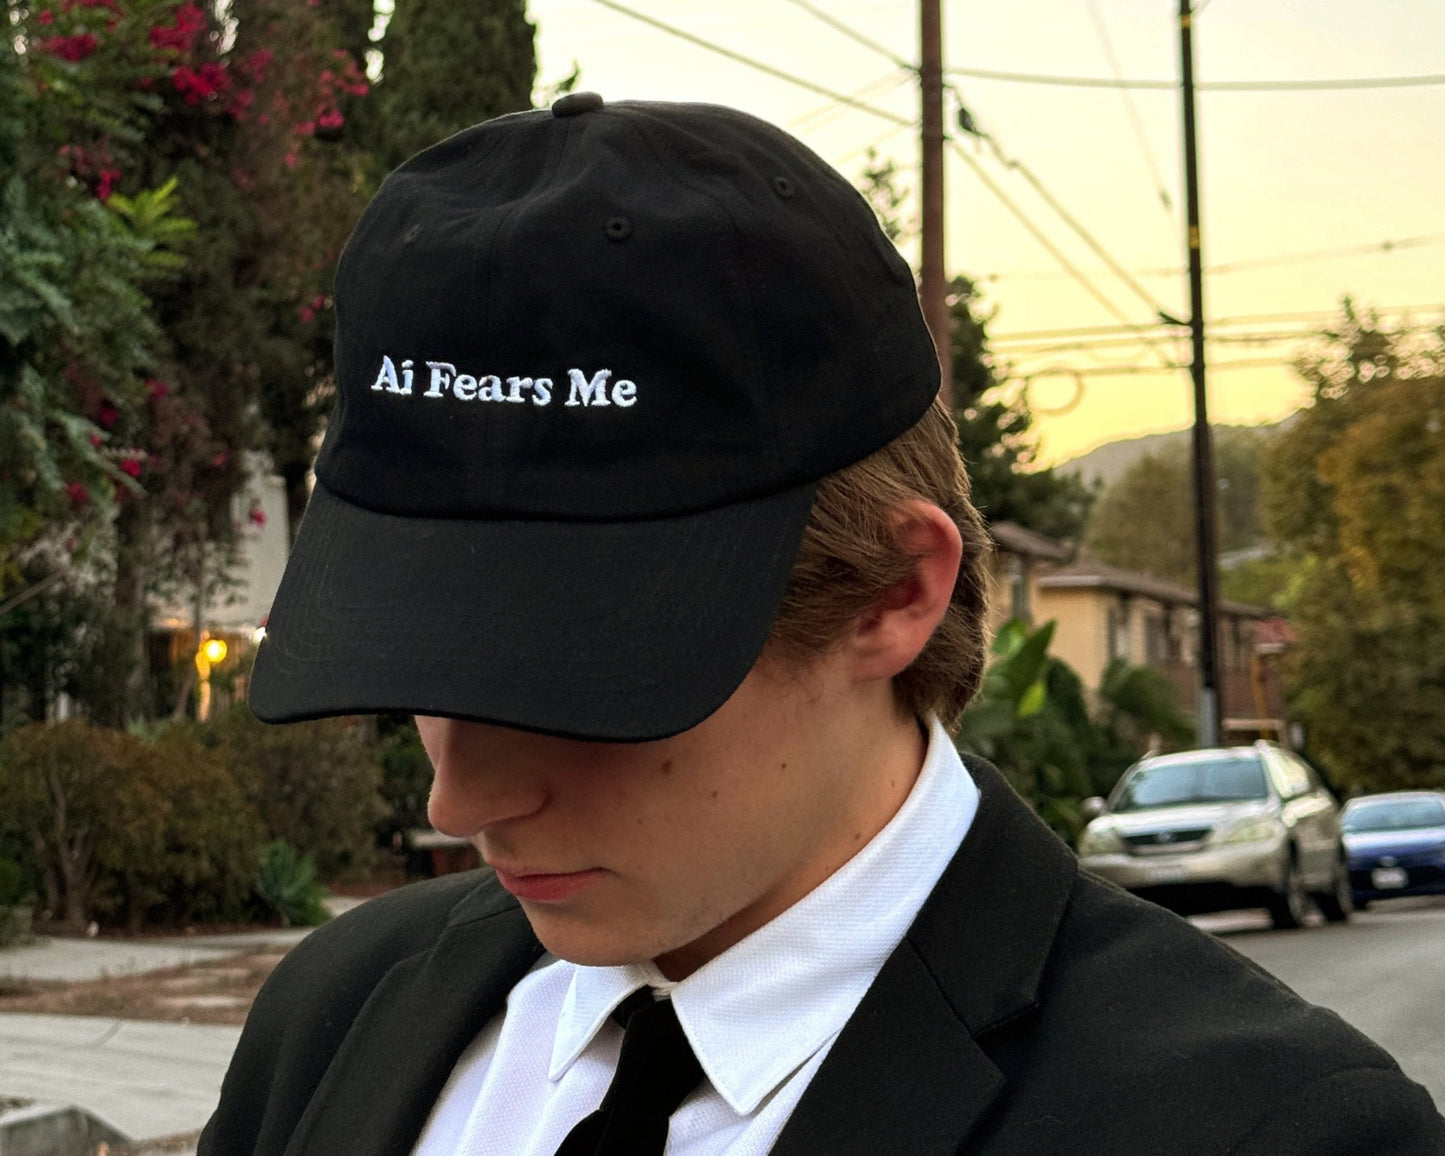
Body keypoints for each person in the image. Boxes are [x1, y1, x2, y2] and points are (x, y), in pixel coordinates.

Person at [201, 95, 1445, 1155]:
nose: (457, 800)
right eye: (422, 659)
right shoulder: (330, 1019)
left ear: (895, 594)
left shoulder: (1264, 1128)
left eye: (566, 681)